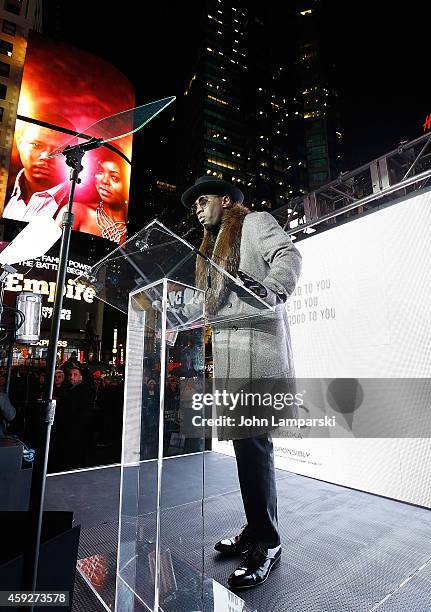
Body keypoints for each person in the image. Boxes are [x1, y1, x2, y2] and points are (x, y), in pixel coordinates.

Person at [180, 175, 302, 590]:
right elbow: (210, 303)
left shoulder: (254, 223)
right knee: (246, 450)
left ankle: (267, 543)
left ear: (228, 202)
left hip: (258, 354)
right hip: (231, 361)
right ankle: (256, 529)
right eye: (193, 204)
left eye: (203, 200)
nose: (196, 208)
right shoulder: (209, 250)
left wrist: (272, 288)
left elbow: (288, 254)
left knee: (254, 447)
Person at [3, 114, 76, 221]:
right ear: (19, 143)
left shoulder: (79, 210)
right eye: (36, 145)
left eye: (60, 151)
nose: (46, 156)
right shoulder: (4, 186)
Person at [71, 150, 129, 244]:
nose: (104, 180)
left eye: (114, 177)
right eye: (100, 171)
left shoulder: (136, 231)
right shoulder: (76, 211)